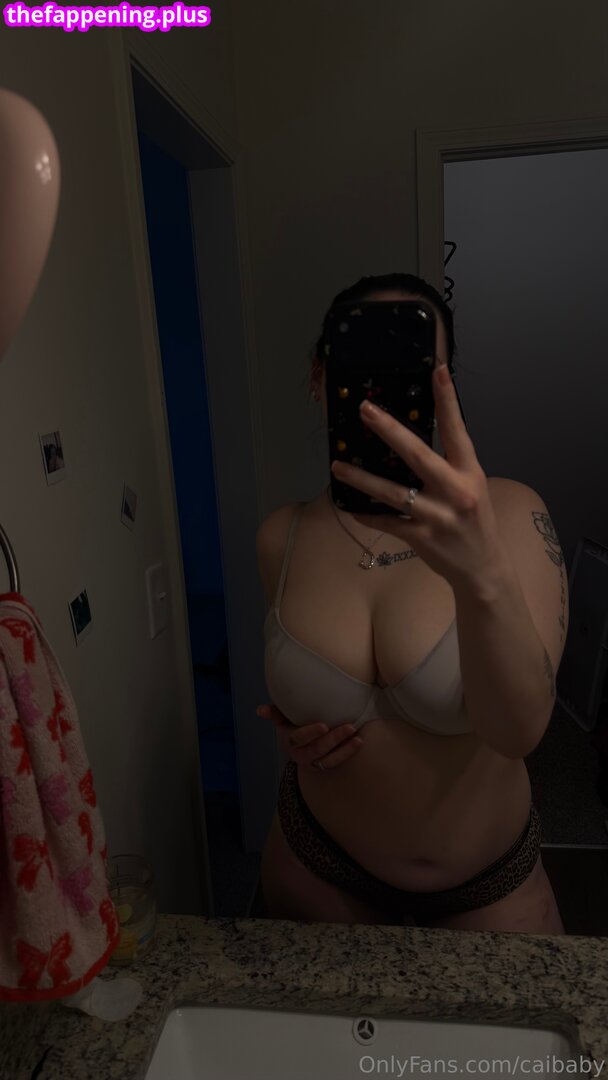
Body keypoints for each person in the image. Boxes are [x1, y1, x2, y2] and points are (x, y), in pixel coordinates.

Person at [256, 272, 566, 934]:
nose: (383, 385)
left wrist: (482, 570)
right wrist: (296, 728)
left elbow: (520, 731)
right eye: (360, 359)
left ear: (444, 384)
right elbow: (304, 700)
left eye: (414, 362)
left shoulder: (511, 514)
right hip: (313, 872)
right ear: (319, 376)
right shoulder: (281, 537)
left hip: (487, 894)